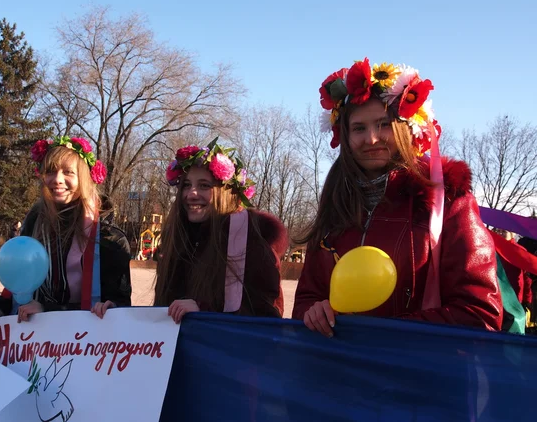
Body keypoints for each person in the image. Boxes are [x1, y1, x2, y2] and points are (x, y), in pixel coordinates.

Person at [292, 59, 503, 336]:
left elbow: (480, 313)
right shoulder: (337, 200)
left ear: (407, 129)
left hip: (419, 373)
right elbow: (306, 299)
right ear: (344, 135)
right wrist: (314, 312)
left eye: (384, 124)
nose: (371, 139)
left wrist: (387, 335)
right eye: (359, 128)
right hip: (342, 372)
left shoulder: (445, 198)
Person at [0, 136, 132, 343]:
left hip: (83, 345)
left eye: (68, 172)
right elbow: (19, 284)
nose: (57, 180)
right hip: (31, 342)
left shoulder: (109, 238)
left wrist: (48, 310)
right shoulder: (34, 223)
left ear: (85, 177)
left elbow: (119, 307)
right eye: (50, 171)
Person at [154, 138, 288, 323]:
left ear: (225, 193)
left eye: (204, 185)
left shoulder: (250, 241)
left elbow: (267, 316)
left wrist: (203, 311)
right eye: (186, 185)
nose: (191, 193)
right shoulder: (177, 240)